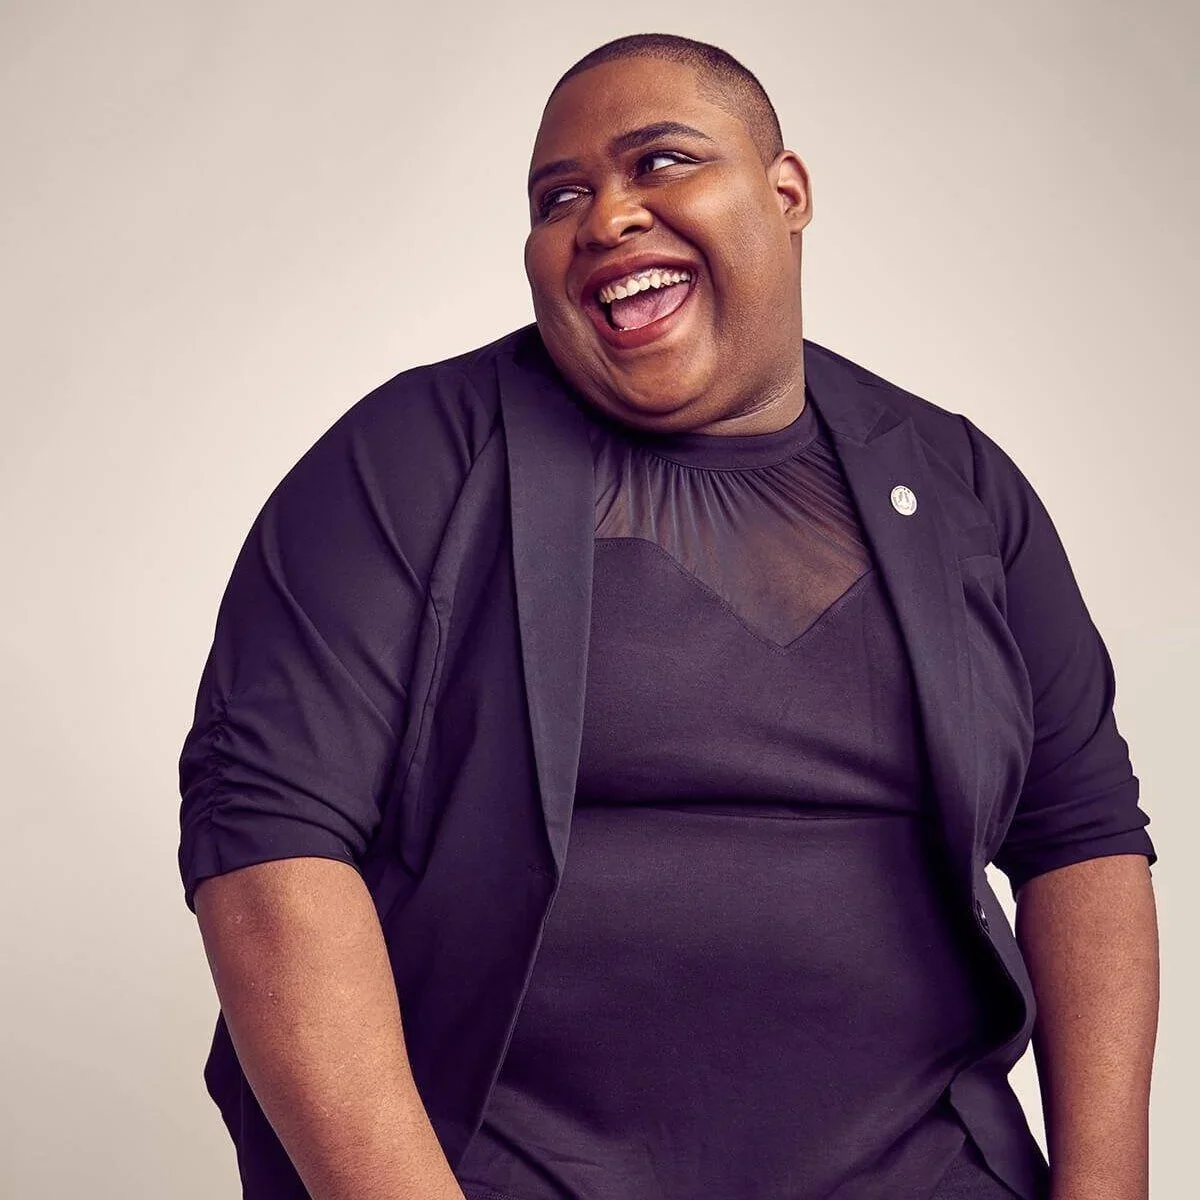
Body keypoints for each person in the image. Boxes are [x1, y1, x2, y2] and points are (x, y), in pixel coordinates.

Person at [178, 33, 1159, 1200]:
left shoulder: (958, 487)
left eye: (661, 161)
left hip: (923, 1166)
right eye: (559, 198)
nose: (606, 217)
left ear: (786, 194)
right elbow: (267, 839)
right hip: (499, 1173)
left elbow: (1083, 837)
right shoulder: (406, 460)